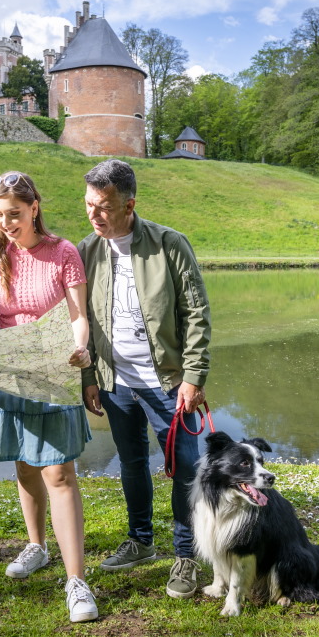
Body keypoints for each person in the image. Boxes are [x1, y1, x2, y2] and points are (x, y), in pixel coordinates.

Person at [0, 171, 98, 623]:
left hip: (54, 369)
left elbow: (79, 316)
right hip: (8, 370)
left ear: (34, 207)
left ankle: (77, 581)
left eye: (14, 214)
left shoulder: (64, 252)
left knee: (58, 472)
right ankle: (37, 546)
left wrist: (81, 348)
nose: (5, 223)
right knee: (23, 461)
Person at [77, 158, 211, 599]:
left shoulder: (169, 244)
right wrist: (91, 378)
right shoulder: (86, 251)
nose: (95, 215)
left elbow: (195, 313)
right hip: (116, 382)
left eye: (105, 207)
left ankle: (186, 556)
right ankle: (140, 541)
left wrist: (193, 375)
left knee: (185, 468)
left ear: (129, 204)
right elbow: (83, 322)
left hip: (168, 382)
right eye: (89, 205)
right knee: (131, 462)